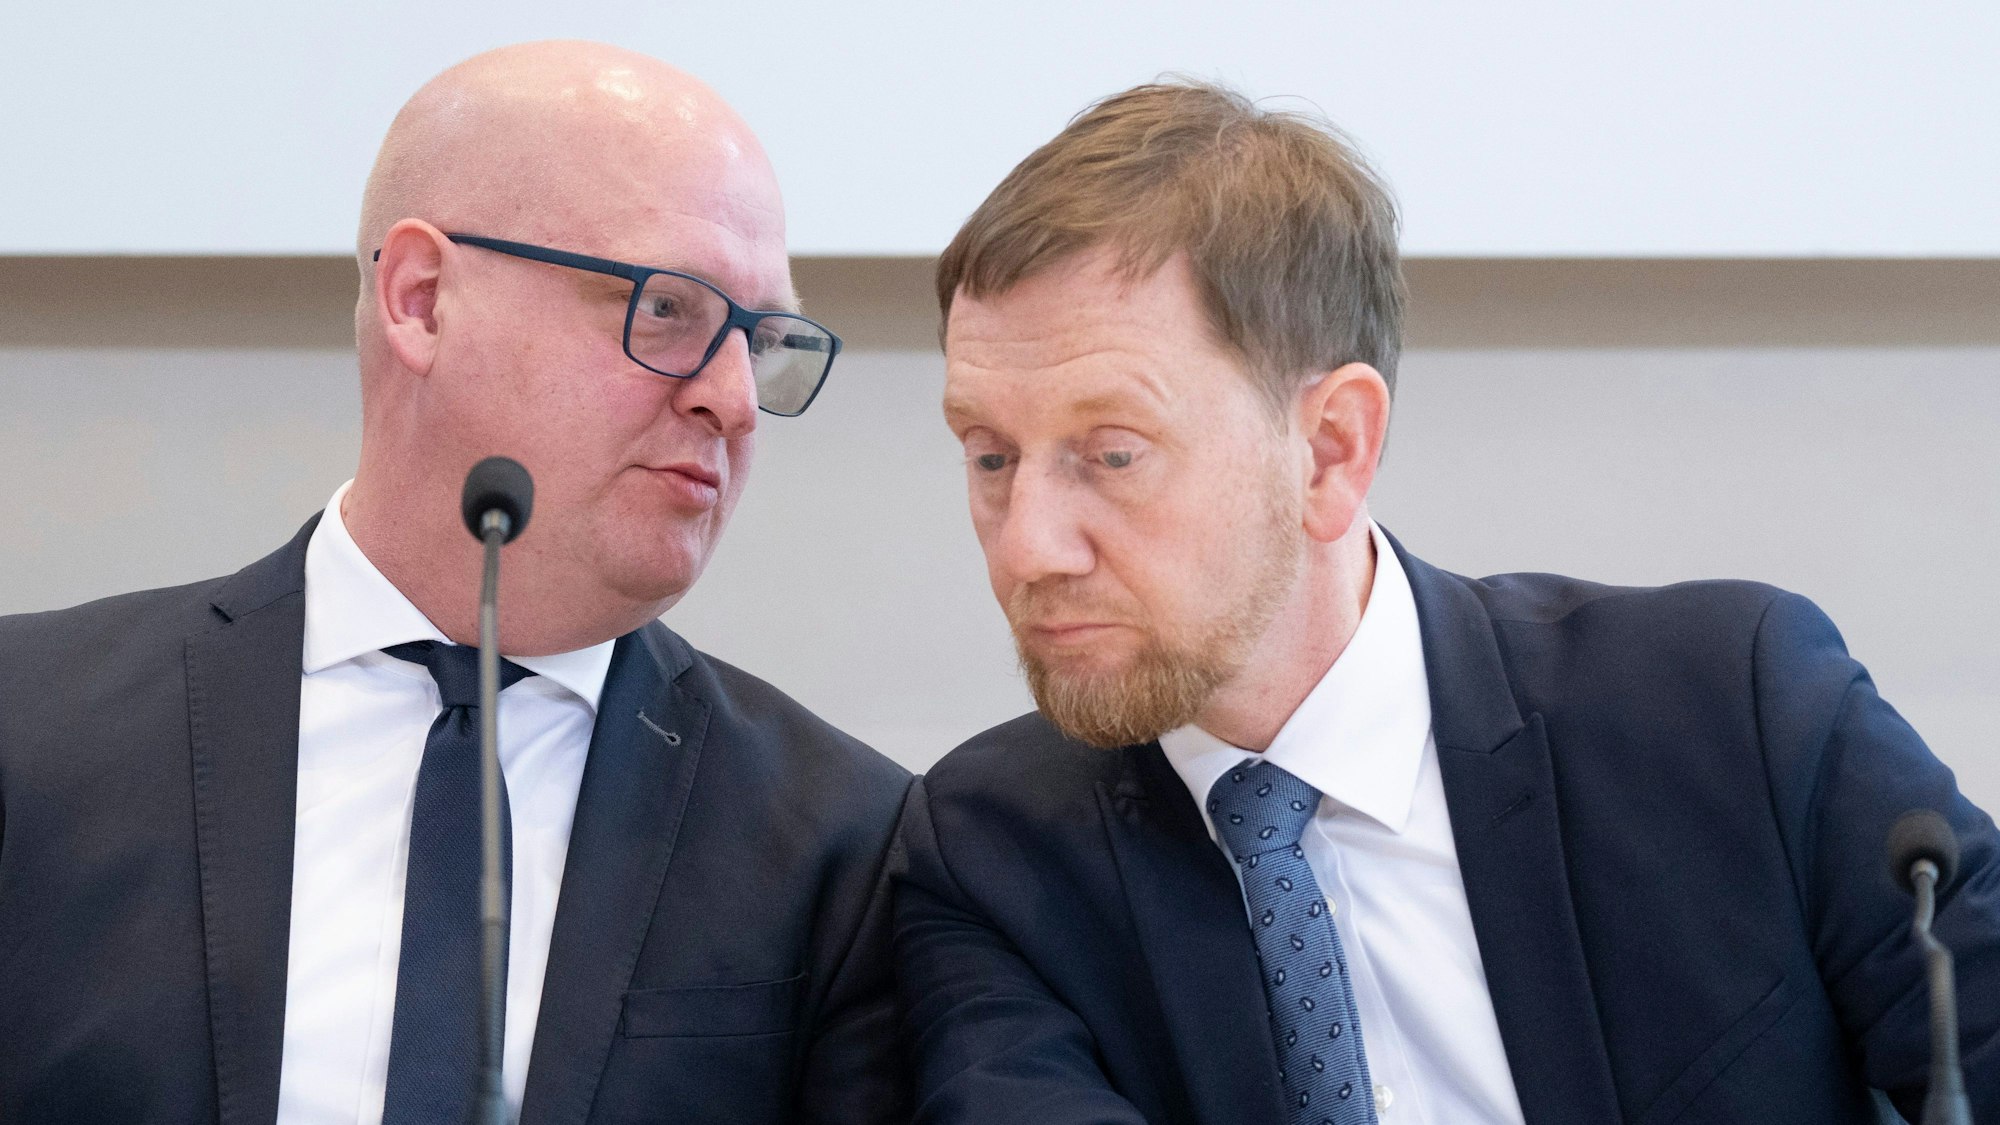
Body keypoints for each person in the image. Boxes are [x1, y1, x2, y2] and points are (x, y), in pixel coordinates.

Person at [894, 80, 2000, 1124]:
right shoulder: (991, 855)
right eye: (989, 459)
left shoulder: (1729, 711)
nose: (1027, 547)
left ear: (1328, 450)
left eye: (1112, 454)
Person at [0, 41, 911, 1124]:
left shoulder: (844, 841)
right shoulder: (30, 729)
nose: (734, 400)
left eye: (759, 341)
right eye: (666, 309)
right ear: (423, 300)